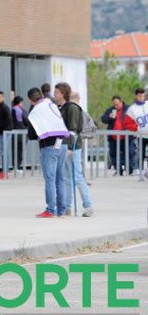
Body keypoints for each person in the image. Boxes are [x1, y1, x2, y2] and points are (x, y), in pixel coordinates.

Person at [26, 87, 69, 218]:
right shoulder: (52, 104)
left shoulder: (35, 111)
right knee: (60, 178)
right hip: (63, 144)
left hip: (49, 146)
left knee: (50, 179)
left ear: (30, 100)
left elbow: (32, 134)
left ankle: (51, 209)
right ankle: (62, 210)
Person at [54, 83, 94, 217]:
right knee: (66, 178)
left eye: (57, 93)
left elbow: (73, 130)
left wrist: (70, 147)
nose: (55, 95)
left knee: (77, 176)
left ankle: (88, 206)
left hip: (74, 147)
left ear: (63, 94)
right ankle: (66, 206)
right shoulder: (61, 108)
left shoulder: (71, 108)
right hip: (65, 146)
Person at [100, 96, 135, 175]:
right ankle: (118, 171)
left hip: (126, 136)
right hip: (114, 137)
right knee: (114, 154)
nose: (116, 106)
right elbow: (103, 119)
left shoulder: (128, 108)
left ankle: (129, 170)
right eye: (114, 105)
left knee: (129, 153)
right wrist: (109, 117)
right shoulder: (111, 109)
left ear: (121, 102)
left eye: (117, 104)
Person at [125, 87, 148, 176]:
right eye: (139, 96)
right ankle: (140, 169)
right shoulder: (132, 109)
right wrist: (137, 128)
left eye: (143, 96)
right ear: (136, 96)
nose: (141, 98)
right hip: (141, 135)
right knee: (141, 152)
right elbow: (127, 124)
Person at [0, 91, 13, 175]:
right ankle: (5, 169)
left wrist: (1, 128)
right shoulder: (0, 107)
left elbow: (8, 121)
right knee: (3, 151)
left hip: (5, 132)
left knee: (4, 151)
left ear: (3, 98)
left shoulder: (5, 108)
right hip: (2, 132)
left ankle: (6, 169)